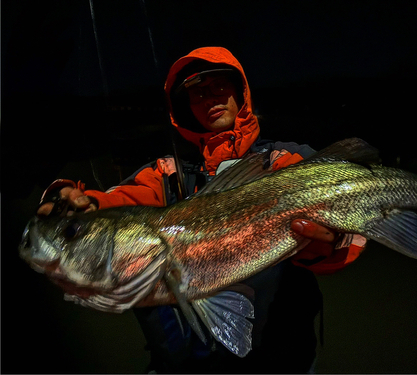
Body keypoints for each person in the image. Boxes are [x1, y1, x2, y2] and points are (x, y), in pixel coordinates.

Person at [37, 47, 367, 373]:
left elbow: (348, 244)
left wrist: (328, 242)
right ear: (184, 107)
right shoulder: (166, 173)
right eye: (197, 93)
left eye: (218, 86)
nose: (210, 99)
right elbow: (120, 204)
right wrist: (76, 206)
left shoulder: (285, 163)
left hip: (281, 359)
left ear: (241, 91)